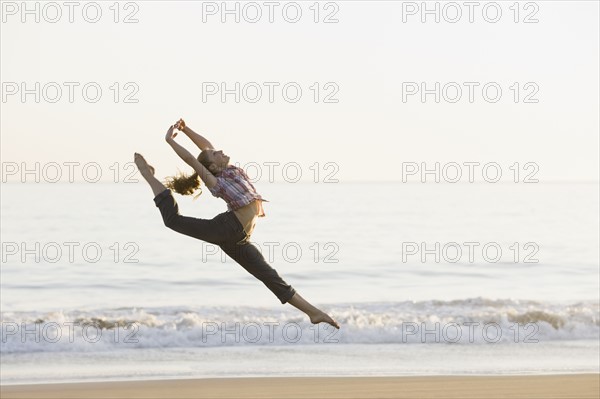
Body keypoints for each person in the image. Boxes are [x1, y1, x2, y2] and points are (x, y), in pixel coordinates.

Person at [133, 120, 340, 329]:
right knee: (173, 221)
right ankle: (149, 177)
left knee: (270, 277)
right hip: (226, 228)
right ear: (213, 166)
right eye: (216, 154)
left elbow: (205, 148)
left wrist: (186, 130)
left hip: (240, 240)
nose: (220, 151)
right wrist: (169, 141)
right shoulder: (216, 182)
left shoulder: (230, 170)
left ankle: (314, 313)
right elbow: (191, 158)